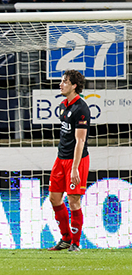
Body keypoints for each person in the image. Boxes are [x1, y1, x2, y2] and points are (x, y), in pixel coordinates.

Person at [47, 70, 90, 252]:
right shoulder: (63, 105)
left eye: (64, 81)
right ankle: (65, 239)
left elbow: (80, 141)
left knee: (73, 201)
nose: (60, 84)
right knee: (54, 198)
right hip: (61, 158)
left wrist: (75, 169)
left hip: (76, 161)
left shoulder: (81, 109)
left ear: (74, 86)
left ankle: (75, 243)